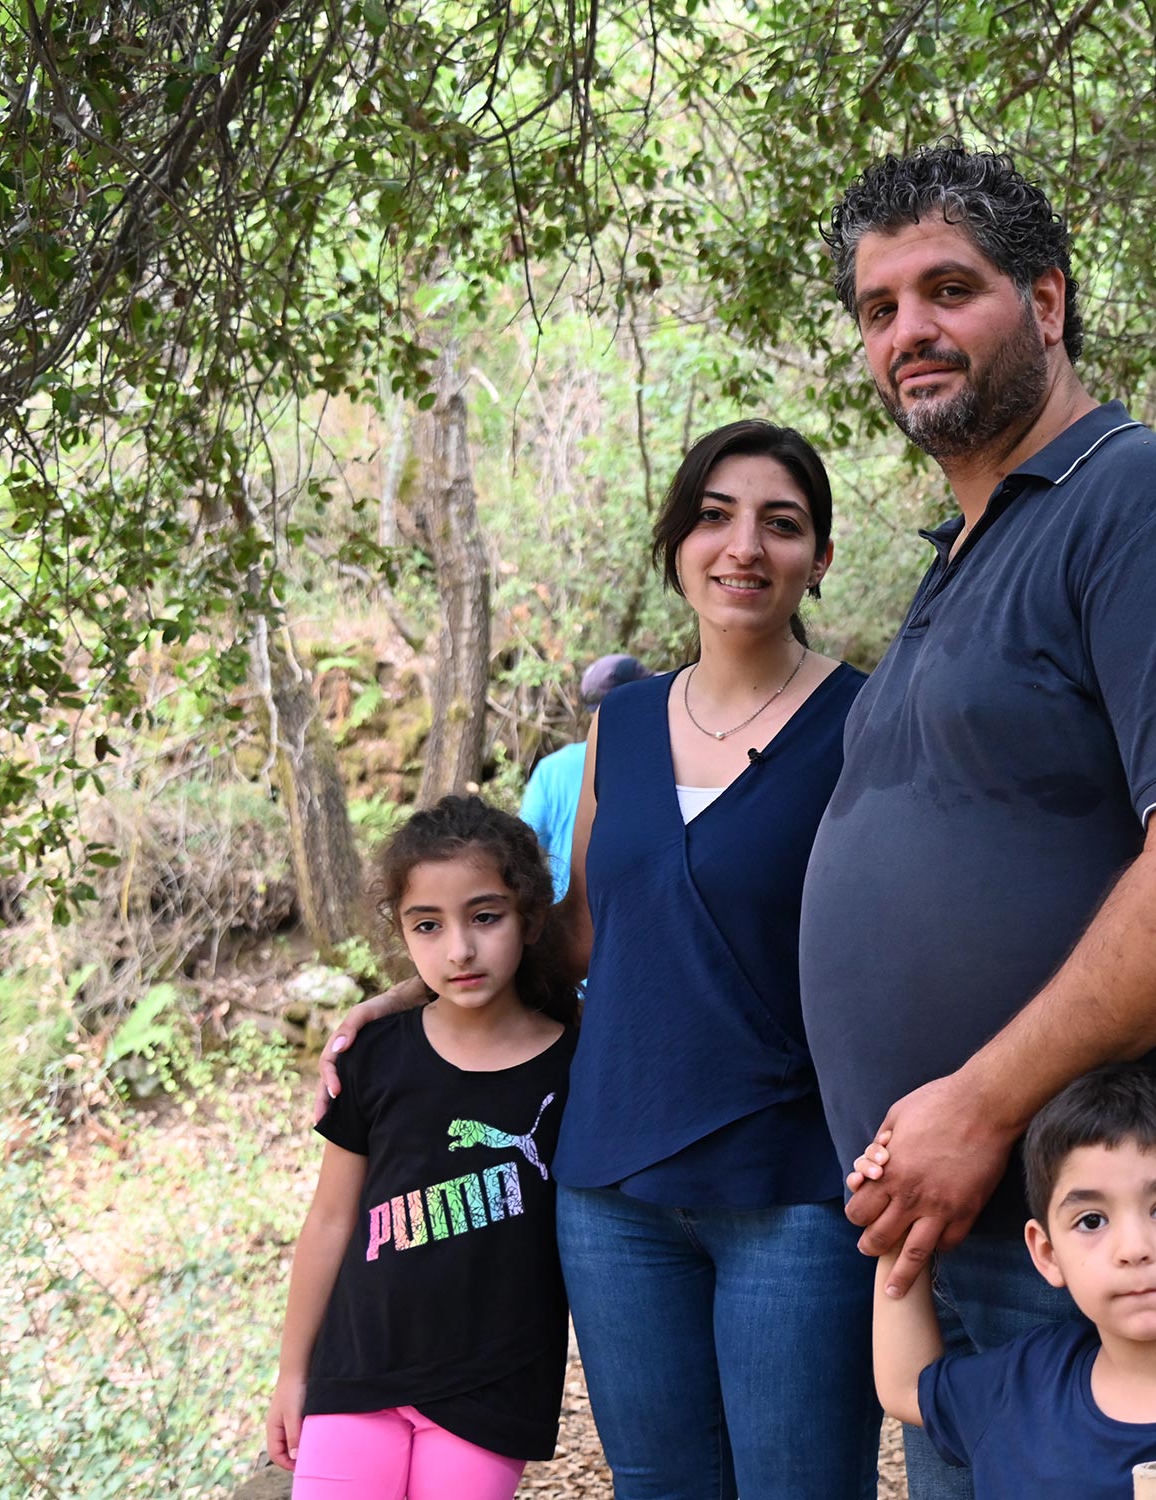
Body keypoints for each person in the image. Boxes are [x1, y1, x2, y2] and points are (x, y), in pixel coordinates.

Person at [802, 144, 1156, 1498]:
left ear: (1047, 299)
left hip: (1109, 1242)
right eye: (879, 307)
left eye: (948, 289)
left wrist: (980, 1105)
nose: (909, 331)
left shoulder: (1152, 508)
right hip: (962, 1230)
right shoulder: (968, 553)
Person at [320, 420, 879, 1499]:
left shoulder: (867, 722)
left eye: (782, 523)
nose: (743, 547)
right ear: (676, 541)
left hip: (793, 1187)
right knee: (661, 1485)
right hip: (614, 1191)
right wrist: (413, 994)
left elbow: (899, 954)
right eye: (714, 516)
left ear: (818, 556)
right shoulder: (621, 727)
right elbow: (579, 935)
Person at [269, 794, 578, 1500]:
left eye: (485, 917)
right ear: (402, 933)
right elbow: (329, 1220)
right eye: (428, 926)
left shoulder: (575, 1066)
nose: (459, 949)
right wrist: (293, 1373)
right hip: (358, 1369)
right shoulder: (375, 1058)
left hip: (492, 1387)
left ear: (530, 917)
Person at [868, 1066, 1156, 1497]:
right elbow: (906, 1388)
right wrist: (896, 1220)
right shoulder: (1024, 1384)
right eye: (1091, 1220)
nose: (1133, 1248)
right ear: (1047, 1253)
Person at [520, 653, 647, 902]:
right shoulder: (647, 764)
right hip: (625, 914)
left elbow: (523, 849)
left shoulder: (551, 769)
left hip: (564, 916)